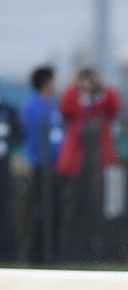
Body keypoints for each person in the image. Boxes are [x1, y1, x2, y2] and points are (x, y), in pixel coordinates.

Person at [57, 67, 121, 262]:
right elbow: (65, 106)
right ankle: (68, 254)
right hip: (76, 167)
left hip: (98, 166)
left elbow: (114, 106)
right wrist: (77, 87)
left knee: (99, 211)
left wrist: (100, 86)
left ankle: (97, 253)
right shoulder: (74, 100)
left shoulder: (101, 102)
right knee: (73, 210)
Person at [19, 66, 64, 264]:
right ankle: (35, 256)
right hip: (40, 167)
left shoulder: (52, 106)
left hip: (55, 168)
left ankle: (50, 254)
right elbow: (31, 140)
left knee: (54, 210)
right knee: (41, 211)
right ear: (46, 83)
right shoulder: (32, 107)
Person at [0, 91, 24, 262]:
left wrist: (8, 147)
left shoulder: (8, 111)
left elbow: (19, 135)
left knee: (6, 207)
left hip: (3, 165)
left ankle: (10, 253)